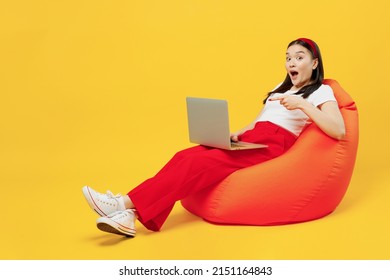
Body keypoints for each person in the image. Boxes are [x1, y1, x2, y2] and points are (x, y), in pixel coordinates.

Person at [82, 38, 346, 238]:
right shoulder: (281, 88)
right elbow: (260, 120)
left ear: (314, 63)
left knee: (197, 165)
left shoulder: (321, 91)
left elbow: (338, 129)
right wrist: (236, 134)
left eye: (299, 58)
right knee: (184, 156)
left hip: (274, 145)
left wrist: (302, 105)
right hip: (256, 137)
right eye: (288, 58)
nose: (291, 63)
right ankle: (129, 217)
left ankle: (121, 202)